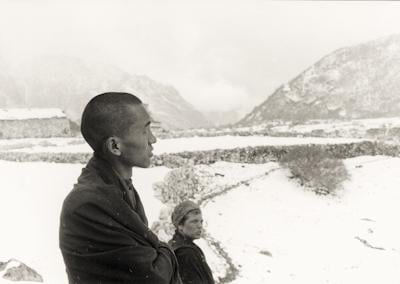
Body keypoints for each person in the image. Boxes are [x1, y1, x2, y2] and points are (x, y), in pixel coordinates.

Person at [59, 92, 181, 283]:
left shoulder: (122, 189)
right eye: (145, 131)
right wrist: (165, 250)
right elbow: (154, 277)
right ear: (115, 146)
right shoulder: (86, 204)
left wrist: (159, 251)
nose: (153, 139)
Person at [168, 201, 214, 284]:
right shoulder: (186, 253)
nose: (200, 226)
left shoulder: (173, 245)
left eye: (201, 221)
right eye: (194, 221)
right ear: (180, 226)